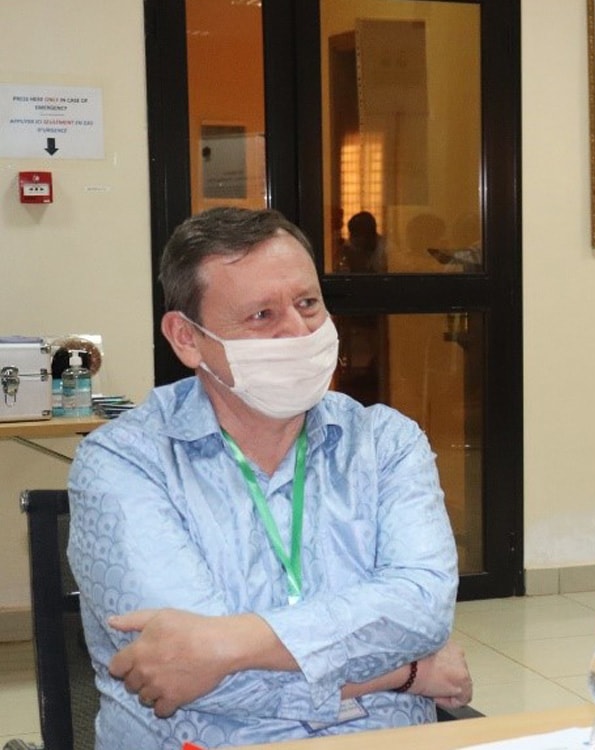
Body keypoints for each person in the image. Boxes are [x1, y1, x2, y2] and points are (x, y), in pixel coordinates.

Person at [67, 207, 471, 749]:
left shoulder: (385, 442)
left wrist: (232, 643)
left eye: (308, 304)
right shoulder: (123, 462)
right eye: (261, 314)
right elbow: (180, 676)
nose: (298, 331)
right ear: (187, 338)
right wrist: (406, 674)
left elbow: (422, 609)